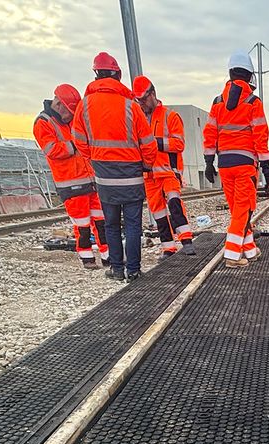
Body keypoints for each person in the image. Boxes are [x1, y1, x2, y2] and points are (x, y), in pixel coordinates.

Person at [71, 52, 157, 281]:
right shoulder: (130, 106)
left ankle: (117, 269)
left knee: (111, 225)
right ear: (117, 75)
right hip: (131, 174)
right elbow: (148, 142)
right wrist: (146, 165)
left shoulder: (85, 105)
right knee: (132, 225)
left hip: (104, 175)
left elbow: (78, 139)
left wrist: (95, 157)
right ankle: (134, 270)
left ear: (96, 75)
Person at [203, 51, 269, 268]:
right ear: (250, 75)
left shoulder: (217, 101)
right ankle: (232, 255)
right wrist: (266, 163)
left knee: (237, 210)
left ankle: (249, 250)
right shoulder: (253, 101)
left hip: (224, 164)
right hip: (244, 164)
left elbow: (210, 132)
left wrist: (208, 160)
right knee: (244, 209)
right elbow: (260, 134)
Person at [33, 84, 108, 269]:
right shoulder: (44, 123)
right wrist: (76, 144)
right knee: (82, 226)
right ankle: (87, 258)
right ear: (58, 104)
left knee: (102, 222)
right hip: (71, 183)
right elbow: (52, 150)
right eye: (69, 111)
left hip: (90, 181)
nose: (72, 116)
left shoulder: (70, 121)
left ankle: (109, 257)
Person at [132, 75, 196, 257]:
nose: (142, 104)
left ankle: (186, 241)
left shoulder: (170, 116)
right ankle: (168, 247)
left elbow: (178, 144)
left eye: (144, 99)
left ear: (152, 94)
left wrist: (153, 142)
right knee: (159, 213)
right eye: (138, 100)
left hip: (168, 172)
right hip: (148, 175)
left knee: (174, 204)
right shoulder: (138, 119)